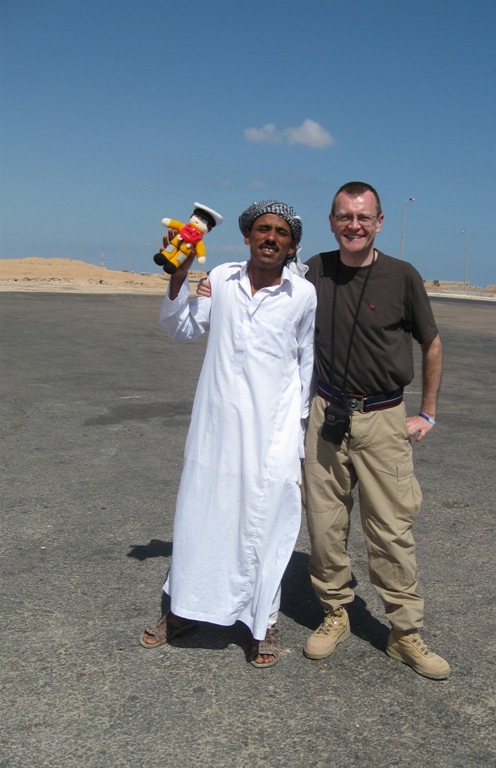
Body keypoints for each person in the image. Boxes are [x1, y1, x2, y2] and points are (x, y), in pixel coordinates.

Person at [139, 200, 317, 668]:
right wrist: (179, 275)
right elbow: (182, 329)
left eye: (281, 232)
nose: (270, 237)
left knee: (268, 522)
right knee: (201, 514)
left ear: (291, 245)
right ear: (247, 236)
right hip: (215, 426)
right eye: (262, 229)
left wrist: (298, 431)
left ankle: (263, 623)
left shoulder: (302, 294)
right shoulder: (220, 279)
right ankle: (183, 611)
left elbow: (307, 361)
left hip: (272, 432)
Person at [301, 181, 450, 679]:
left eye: (364, 217)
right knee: (325, 524)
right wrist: (213, 284)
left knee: (390, 529)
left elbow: (431, 342)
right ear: (331, 222)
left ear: (379, 222)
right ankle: (334, 612)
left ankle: (404, 632)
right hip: (327, 413)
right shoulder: (314, 270)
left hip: (385, 418)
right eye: (345, 216)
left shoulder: (402, 276)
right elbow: (265, 283)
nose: (354, 225)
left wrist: (427, 412)